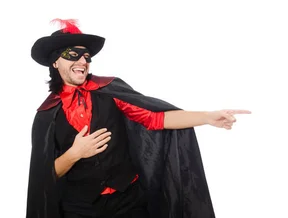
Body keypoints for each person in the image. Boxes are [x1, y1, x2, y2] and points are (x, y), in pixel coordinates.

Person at [25, 19, 250, 218]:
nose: (83, 61)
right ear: (55, 62)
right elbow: (44, 174)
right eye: (72, 54)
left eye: (86, 56)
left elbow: (156, 118)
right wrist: (75, 154)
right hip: (79, 207)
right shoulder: (47, 115)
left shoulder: (109, 90)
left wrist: (208, 117)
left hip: (128, 200)